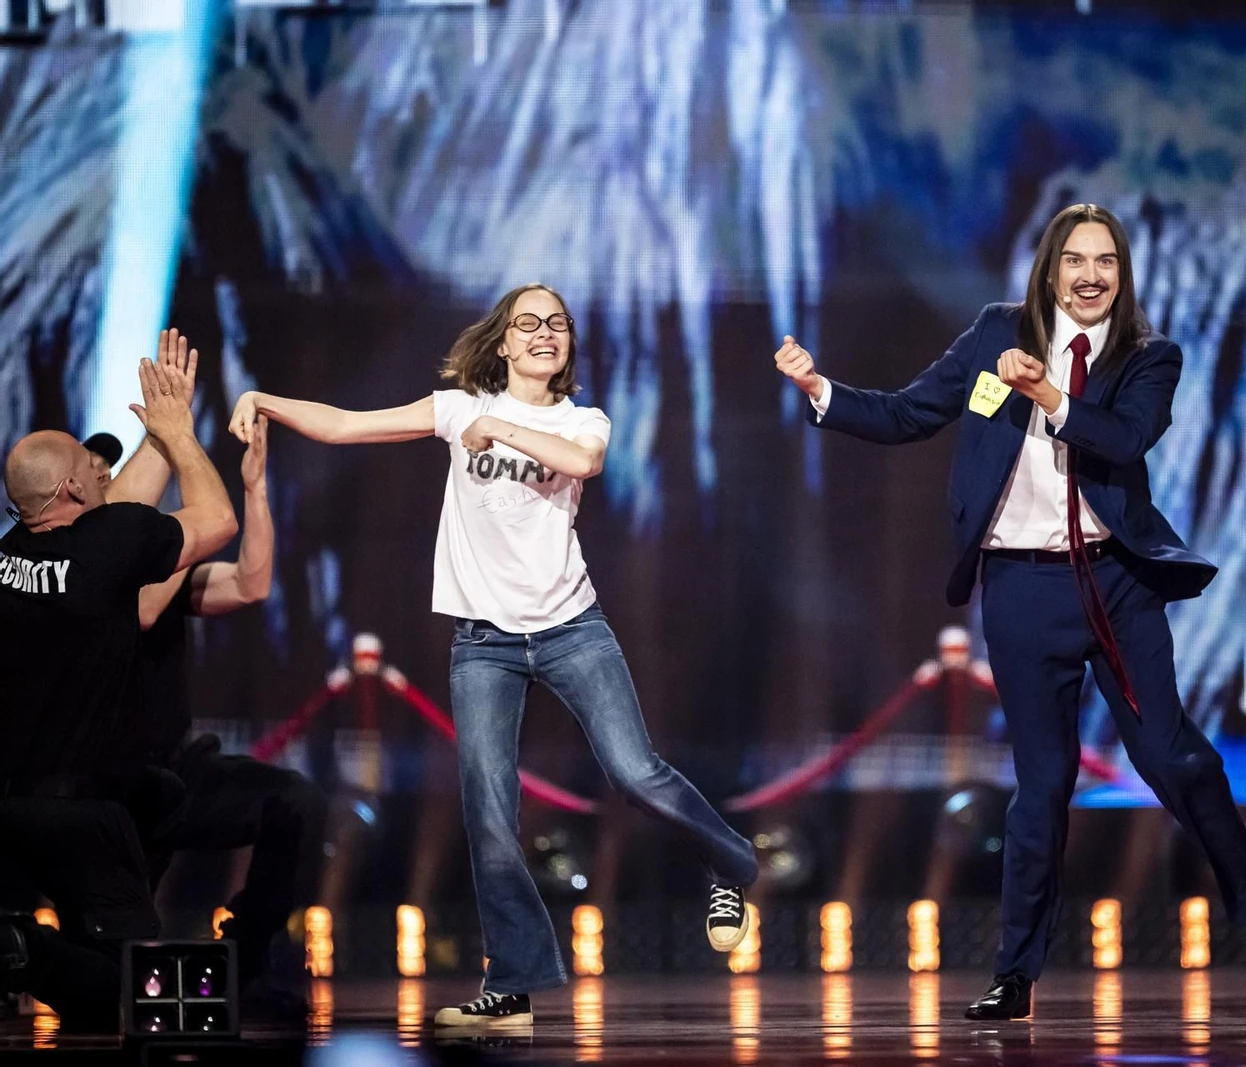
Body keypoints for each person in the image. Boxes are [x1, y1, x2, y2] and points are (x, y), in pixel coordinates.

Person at [775, 203, 1246, 1018]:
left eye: (1106, 262)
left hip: (1115, 585)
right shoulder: (995, 333)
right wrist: (822, 391)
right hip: (1022, 588)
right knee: (1043, 784)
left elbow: (1124, 440)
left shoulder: (1148, 354)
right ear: (1050, 269)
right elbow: (910, 412)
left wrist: (1050, 392)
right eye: (1076, 261)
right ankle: (1014, 973)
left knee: (1175, 760)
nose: (1091, 276)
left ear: (1122, 275)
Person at [227, 283, 758, 1030]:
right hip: (483, 642)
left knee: (635, 770)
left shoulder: (584, 419)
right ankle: (510, 984)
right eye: (528, 323)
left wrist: (499, 431)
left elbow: (585, 461)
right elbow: (348, 425)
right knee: (486, 806)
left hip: (574, 626)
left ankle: (731, 862)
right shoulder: (457, 408)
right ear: (503, 343)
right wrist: (267, 400)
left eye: (558, 324)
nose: (545, 332)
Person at [0, 341, 237, 1029]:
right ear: (75, 489)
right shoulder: (105, 551)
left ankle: (28, 947)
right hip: (82, 817)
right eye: (89, 466)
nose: (102, 473)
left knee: (98, 1003)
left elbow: (109, 516)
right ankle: (18, 947)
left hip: (11, 810)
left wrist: (156, 432)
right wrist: (181, 438)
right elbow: (215, 519)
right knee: (139, 990)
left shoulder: (12, 558)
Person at [126, 407, 328, 1013]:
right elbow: (141, 603)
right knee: (105, 972)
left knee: (294, 802)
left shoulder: (152, 567)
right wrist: (180, 446)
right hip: (98, 787)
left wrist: (254, 487)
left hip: (172, 771)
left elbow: (250, 582)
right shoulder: (72, 575)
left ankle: (247, 960)